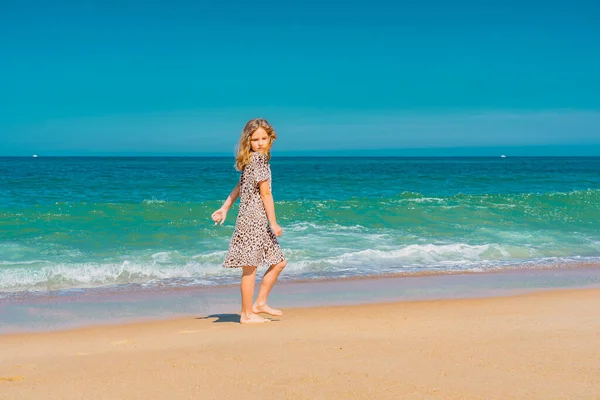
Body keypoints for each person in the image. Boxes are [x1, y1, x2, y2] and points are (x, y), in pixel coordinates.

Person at [211, 118, 287, 324]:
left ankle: (259, 303)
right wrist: (274, 222)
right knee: (250, 268)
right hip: (254, 220)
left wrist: (225, 207)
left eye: (264, 138)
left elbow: (240, 185)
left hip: (254, 220)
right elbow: (266, 194)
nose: (260, 143)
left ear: (270, 139)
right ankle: (246, 314)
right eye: (255, 140)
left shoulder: (254, 160)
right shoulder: (258, 161)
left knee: (279, 262)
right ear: (248, 141)